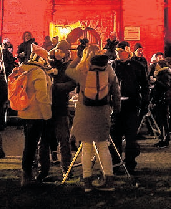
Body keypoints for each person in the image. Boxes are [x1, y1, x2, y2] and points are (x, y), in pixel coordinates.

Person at [66, 44, 121, 192]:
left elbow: (68, 71)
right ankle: (109, 180)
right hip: (103, 111)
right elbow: (116, 90)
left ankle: (87, 182)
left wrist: (77, 57)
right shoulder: (108, 69)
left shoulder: (82, 69)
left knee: (86, 147)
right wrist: (116, 109)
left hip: (85, 111)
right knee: (103, 146)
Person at [14, 45, 52, 187]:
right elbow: (43, 97)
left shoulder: (24, 69)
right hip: (37, 114)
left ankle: (27, 173)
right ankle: (27, 175)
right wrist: (48, 115)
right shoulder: (38, 73)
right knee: (32, 145)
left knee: (28, 145)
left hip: (24, 112)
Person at [39, 40, 76, 177]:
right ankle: (43, 170)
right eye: (57, 50)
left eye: (62, 51)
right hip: (46, 107)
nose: (59, 53)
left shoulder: (68, 67)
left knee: (64, 140)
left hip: (60, 107)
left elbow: (72, 83)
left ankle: (66, 168)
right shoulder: (46, 64)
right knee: (44, 141)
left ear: (66, 53)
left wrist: (55, 87)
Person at [111, 41, 149, 174]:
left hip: (132, 105)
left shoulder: (137, 66)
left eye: (121, 51)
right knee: (115, 136)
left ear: (127, 51)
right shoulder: (112, 66)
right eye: (117, 52)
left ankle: (130, 164)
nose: (119, 54)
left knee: (131, 137)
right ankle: (115, 164)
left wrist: (144, 103)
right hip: (115, 106)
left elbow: (144, 85)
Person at [150, 59, 171, 148]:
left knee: (163, 119)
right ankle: (163, 138)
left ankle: (164, 139)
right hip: (162, 99)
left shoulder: (165, 74)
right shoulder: (162, 73)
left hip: (163, 99)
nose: (156, 66)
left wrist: (156, 81)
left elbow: (166, 86)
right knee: (162, 119)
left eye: (157, 65)